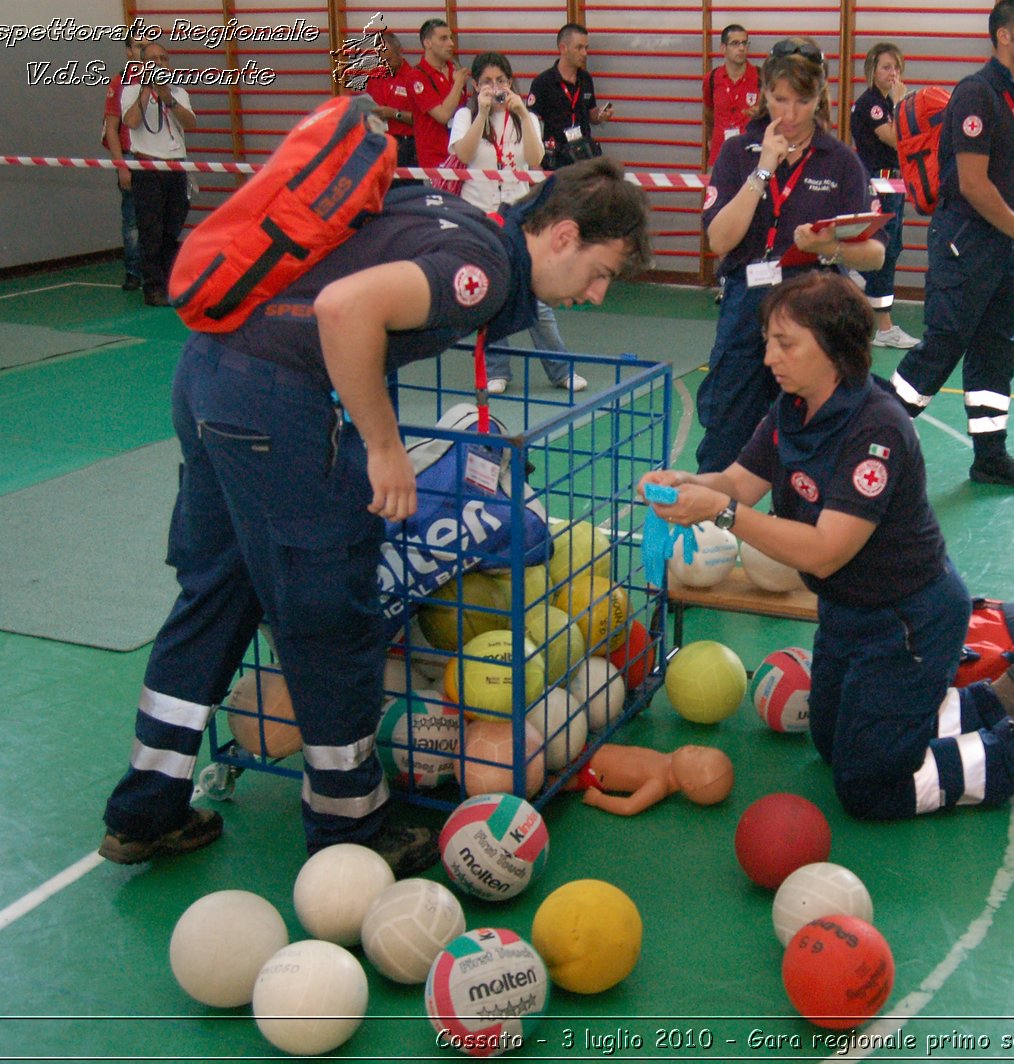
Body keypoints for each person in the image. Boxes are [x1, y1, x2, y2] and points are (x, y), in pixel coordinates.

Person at [98, 159, 652, 876]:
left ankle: (144, 809)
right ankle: (349, 828)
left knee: (217, 594)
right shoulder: (482, 267)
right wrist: (384, 444)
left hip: (210, 375)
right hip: (273, 405)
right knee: (333, 614)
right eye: (601, 271)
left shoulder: (455, 214)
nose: (599, 293)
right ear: (564, 235)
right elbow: (345, 308)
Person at [639, 273, 1014, 820]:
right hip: (849, 610)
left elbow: (823, 552)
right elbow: (741, 482)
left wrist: (720, 512)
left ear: (835, 350)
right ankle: (1002, 699)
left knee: (868, 787)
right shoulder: (793, 406)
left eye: (785, 343)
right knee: (834, 745)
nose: (770, 357)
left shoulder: (874, 429)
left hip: (908, 618)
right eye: (768, 341)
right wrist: (693, 485)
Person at [890, 0, 1014, 491]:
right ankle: (870, 441)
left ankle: (990, 457)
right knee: (942, 346)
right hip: (965, 244)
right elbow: (972, 184)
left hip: (1006, 249)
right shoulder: (977, 94)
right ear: (1003, 36)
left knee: (996, 351)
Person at [693, 37, 884, 474]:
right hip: (747, 302)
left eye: (803, 101)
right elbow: (719, 240)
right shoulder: (737, 153)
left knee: (806, 429)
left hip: (811, 306)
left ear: (820, 99)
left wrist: (829, 247)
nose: (790, 114)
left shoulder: (841, 162)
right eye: (780, 100)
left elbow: (874, 254)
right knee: (727, 423)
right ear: (763, 94)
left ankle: (795, 526)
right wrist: (763, 169)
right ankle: (710, 528)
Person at [449, 51, 587, 393]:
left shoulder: (525, 116)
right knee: (490, 294)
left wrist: (523, 113)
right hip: (480, 215)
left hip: (520, 216)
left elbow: (537, 158)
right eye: (486, 82)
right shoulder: (465, 115)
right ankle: (496, 369)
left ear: (510, 83)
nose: (495, 88)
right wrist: (481, 112)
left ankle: (560, 369)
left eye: (501, 81)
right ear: (475, 85)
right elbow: (463, 156)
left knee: (537, 295)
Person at [850, 41, 918, 349]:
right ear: (872, 70)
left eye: (897, 68)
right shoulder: (873, 104)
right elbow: (895, 139)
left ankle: (856, 283)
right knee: (884, 248)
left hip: (894, 184)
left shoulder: (885, 104)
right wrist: (903, 104)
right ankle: (883, 325)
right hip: (879, 185)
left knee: (892, 247)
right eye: (886, 67)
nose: (893, 74)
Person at [120, 41, 196, 308]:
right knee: (150, 231)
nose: (160, 62)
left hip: (175, 168)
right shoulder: (130, 92)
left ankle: (170, 283)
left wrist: (167, 97)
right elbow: (130, 122)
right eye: (154, 58)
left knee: (171, 230)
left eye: (164, 58)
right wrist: (146, 91)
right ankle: (152, 288)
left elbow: (190, 123)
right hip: (148, 169)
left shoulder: (178, 92)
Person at [102, 27, 148, 291]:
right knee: (132, 218)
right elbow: (111, 127)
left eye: (147, 46)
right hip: (130, 157)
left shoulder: (161, 79)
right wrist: (121, 167)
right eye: (138, 47)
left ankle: (156, 270)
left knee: (157, 218)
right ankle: (133, 272)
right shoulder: (119, 82)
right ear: (129, 51)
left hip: (156, 158)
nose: (143, 52)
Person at [530, 23, 613, 170]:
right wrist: (535, 165)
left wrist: (600, 115)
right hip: (556, 158)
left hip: (584, 156)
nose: (585, 53)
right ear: (563, 48)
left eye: (586, 48)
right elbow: (530, 124)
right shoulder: (542, 82)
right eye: (579, 48)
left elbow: (591, 113)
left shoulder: (586, 79)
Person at [568, 744, 735, 815]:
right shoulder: (670, 760)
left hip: (587, 773)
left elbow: (628, 807)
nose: (692, 748)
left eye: (695, 755)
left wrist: (598, 799)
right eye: (701, 748)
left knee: (555, 780)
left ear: (688, 785)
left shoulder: (659, 784)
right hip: (589, 747)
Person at [409, 18, 468, 172]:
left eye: (451, 38)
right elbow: (443, 115)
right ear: (427, 43)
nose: (451, 44)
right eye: (443, 39)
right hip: (434, 159)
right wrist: (458, 84)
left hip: (460, 154)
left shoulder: (455, 70)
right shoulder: (417, 76)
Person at [363, 32, 421, 189]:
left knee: (406, 192)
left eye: (388, 59)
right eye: (381, 60)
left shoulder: (414, 77)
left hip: (406, 146)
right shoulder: (375, 76)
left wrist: (394, 114)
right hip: (379, 142)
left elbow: (422, 119)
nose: (385, 65)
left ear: (400, 51)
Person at [701, 24, 758, 169]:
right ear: (723, 48)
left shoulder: (760, 77)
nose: (741, 48)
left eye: (745, 43)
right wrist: (710, 139)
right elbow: (708, 112)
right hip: (720, 154)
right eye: (735, 43)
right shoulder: (712, 78)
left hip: (751, 156)